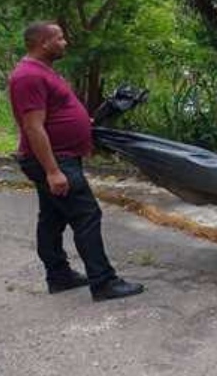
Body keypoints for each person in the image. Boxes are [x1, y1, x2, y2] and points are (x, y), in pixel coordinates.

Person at [8, 21, 144, 302]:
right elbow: (33, 127)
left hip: (61, 157)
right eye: (59, 38)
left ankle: (59, 277)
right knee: (86, 215)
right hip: (55, 160)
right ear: (43, 43)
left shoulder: (43, 72)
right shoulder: (27, 77)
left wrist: (97, 116)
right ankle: (104, 282)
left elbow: (57, 113)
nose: (65, 43)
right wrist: (53, 171)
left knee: (52, 218)